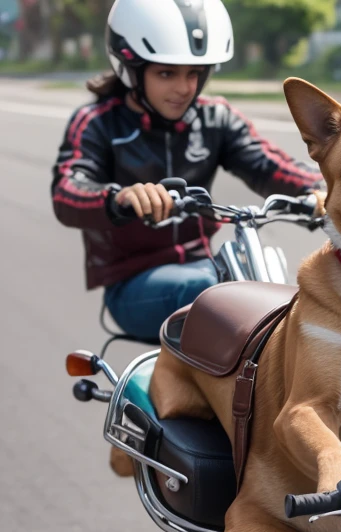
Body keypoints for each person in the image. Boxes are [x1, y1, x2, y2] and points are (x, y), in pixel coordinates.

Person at [51, 0, 323, 340]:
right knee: (214, 291)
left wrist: (321, 190)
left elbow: (268, 165)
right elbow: (68, 192)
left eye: (193, 73)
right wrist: (120, 197)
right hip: (134, 284)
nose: (184, 88)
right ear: (131, 68)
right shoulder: (97, 124)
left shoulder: (215, 119)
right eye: (167, 73)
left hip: (204, 265)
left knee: (269, 277)